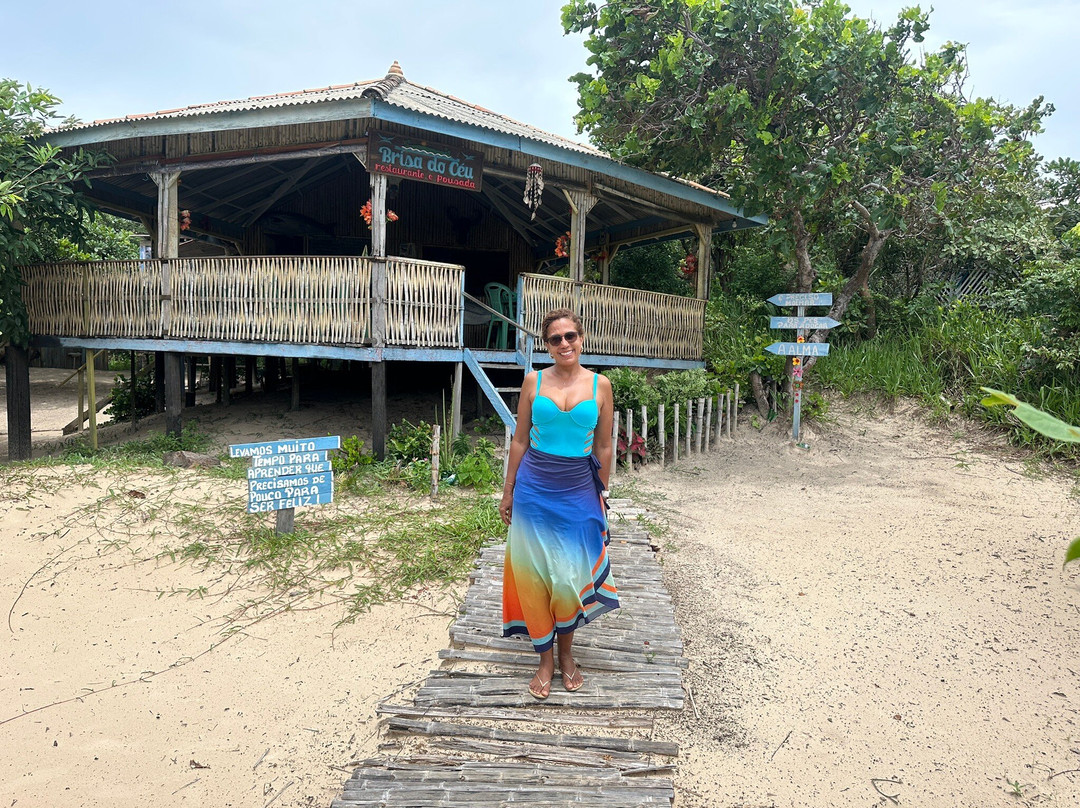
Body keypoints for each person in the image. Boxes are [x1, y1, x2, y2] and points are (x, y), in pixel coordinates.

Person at [499, 308, 618, 700]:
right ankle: (545, 661)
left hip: (577, 488)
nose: (564, 344)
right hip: (534, 488)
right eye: (555, 339)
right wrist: (509, 490)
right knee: (534, 579)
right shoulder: (533, 381)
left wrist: (601, 494)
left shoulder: (601, 386)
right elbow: (519, 440)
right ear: (546, 346)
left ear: (581, 339)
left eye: (570, 336)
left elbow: (603, 445)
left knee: (567, 577)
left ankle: (567, 655)